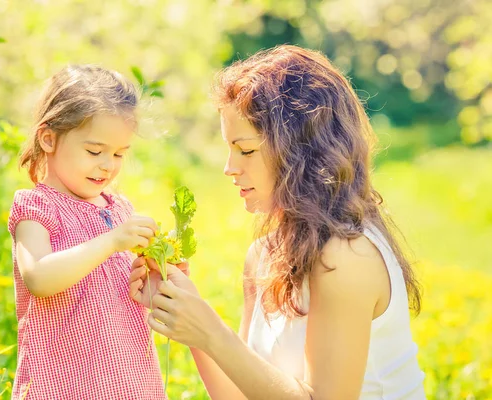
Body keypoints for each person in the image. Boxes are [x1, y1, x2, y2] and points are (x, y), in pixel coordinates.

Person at [129, 45, 426, 399]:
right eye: (229, 148)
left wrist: (210, 331)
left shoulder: (346, 258)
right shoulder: (264, 254)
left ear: (300, 149)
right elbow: (239, 395)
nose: (229, 167)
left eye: (246, 149)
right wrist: (189, 315)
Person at [7, 64, 166, 399]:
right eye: (95, 151)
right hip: (62, 385)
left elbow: (123, 294)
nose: (107, 164)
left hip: (127, 381)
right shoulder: (37, 208)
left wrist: (155, 283)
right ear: (48, 139)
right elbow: (39, 277)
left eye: (119, 153)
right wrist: (111, 241)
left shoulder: (118, 210)